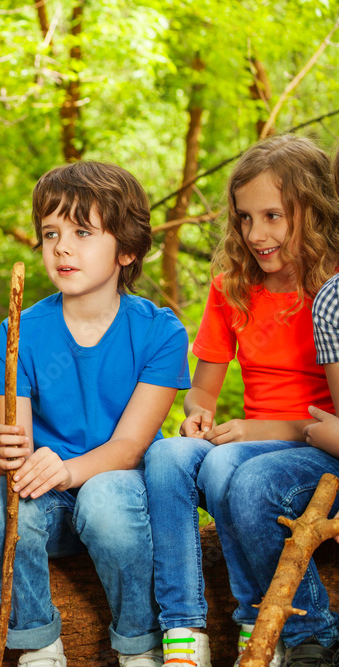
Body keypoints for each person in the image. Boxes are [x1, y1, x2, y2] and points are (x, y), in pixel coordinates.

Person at [0, 161, 190, 667]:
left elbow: (130, 448)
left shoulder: (161, 332)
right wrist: (7, 451)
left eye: (82, 232)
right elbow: (17, 450)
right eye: (51, 232)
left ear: (128, 249)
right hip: (49, 500)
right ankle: (38, 646)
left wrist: (70, 470)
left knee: (103, 499)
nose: (61, 247)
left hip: (120, 496)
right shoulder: (18, 331)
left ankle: (140, 645)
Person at [144, 134, 339, 667]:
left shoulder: (331, 293)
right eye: (245, 218)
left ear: (315, 211)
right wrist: (198, 413)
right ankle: (184, 629)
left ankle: (280, 626)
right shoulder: (232, 286)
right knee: (165, 456)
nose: (257, 234)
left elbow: (333, 424)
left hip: (315, 451)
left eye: (273, 216)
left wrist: (262, 429)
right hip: (252, 444)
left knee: (233, 464)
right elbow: (202, 387)